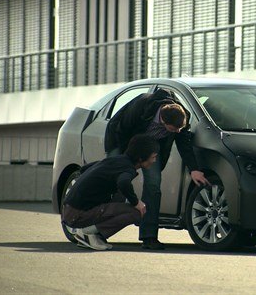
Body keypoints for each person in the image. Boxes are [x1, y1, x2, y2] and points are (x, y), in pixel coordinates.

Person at [105, 88, 210, 250]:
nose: (177, 132)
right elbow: (121, 129)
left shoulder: (182, 117)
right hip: (122, 140)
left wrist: (194, 169)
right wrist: (124, 160)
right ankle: (97, 228)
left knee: (153, 185)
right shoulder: (142, 105)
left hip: (151, 147)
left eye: (179, 129)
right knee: (114, 182)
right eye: (173, 130)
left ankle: (149, 236)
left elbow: (184, 144)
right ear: (162, 119)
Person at [61, 134, 158, 251]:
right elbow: (123, 183)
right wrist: (136, 202)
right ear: (141, 158)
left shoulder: (116, 160)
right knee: (136, 212)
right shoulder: (128, 169)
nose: (154, 160)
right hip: (76, 215)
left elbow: (84, 169)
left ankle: (92, 235)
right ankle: (88, 233)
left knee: (120, 195)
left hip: (70, 210)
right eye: (153, 157)